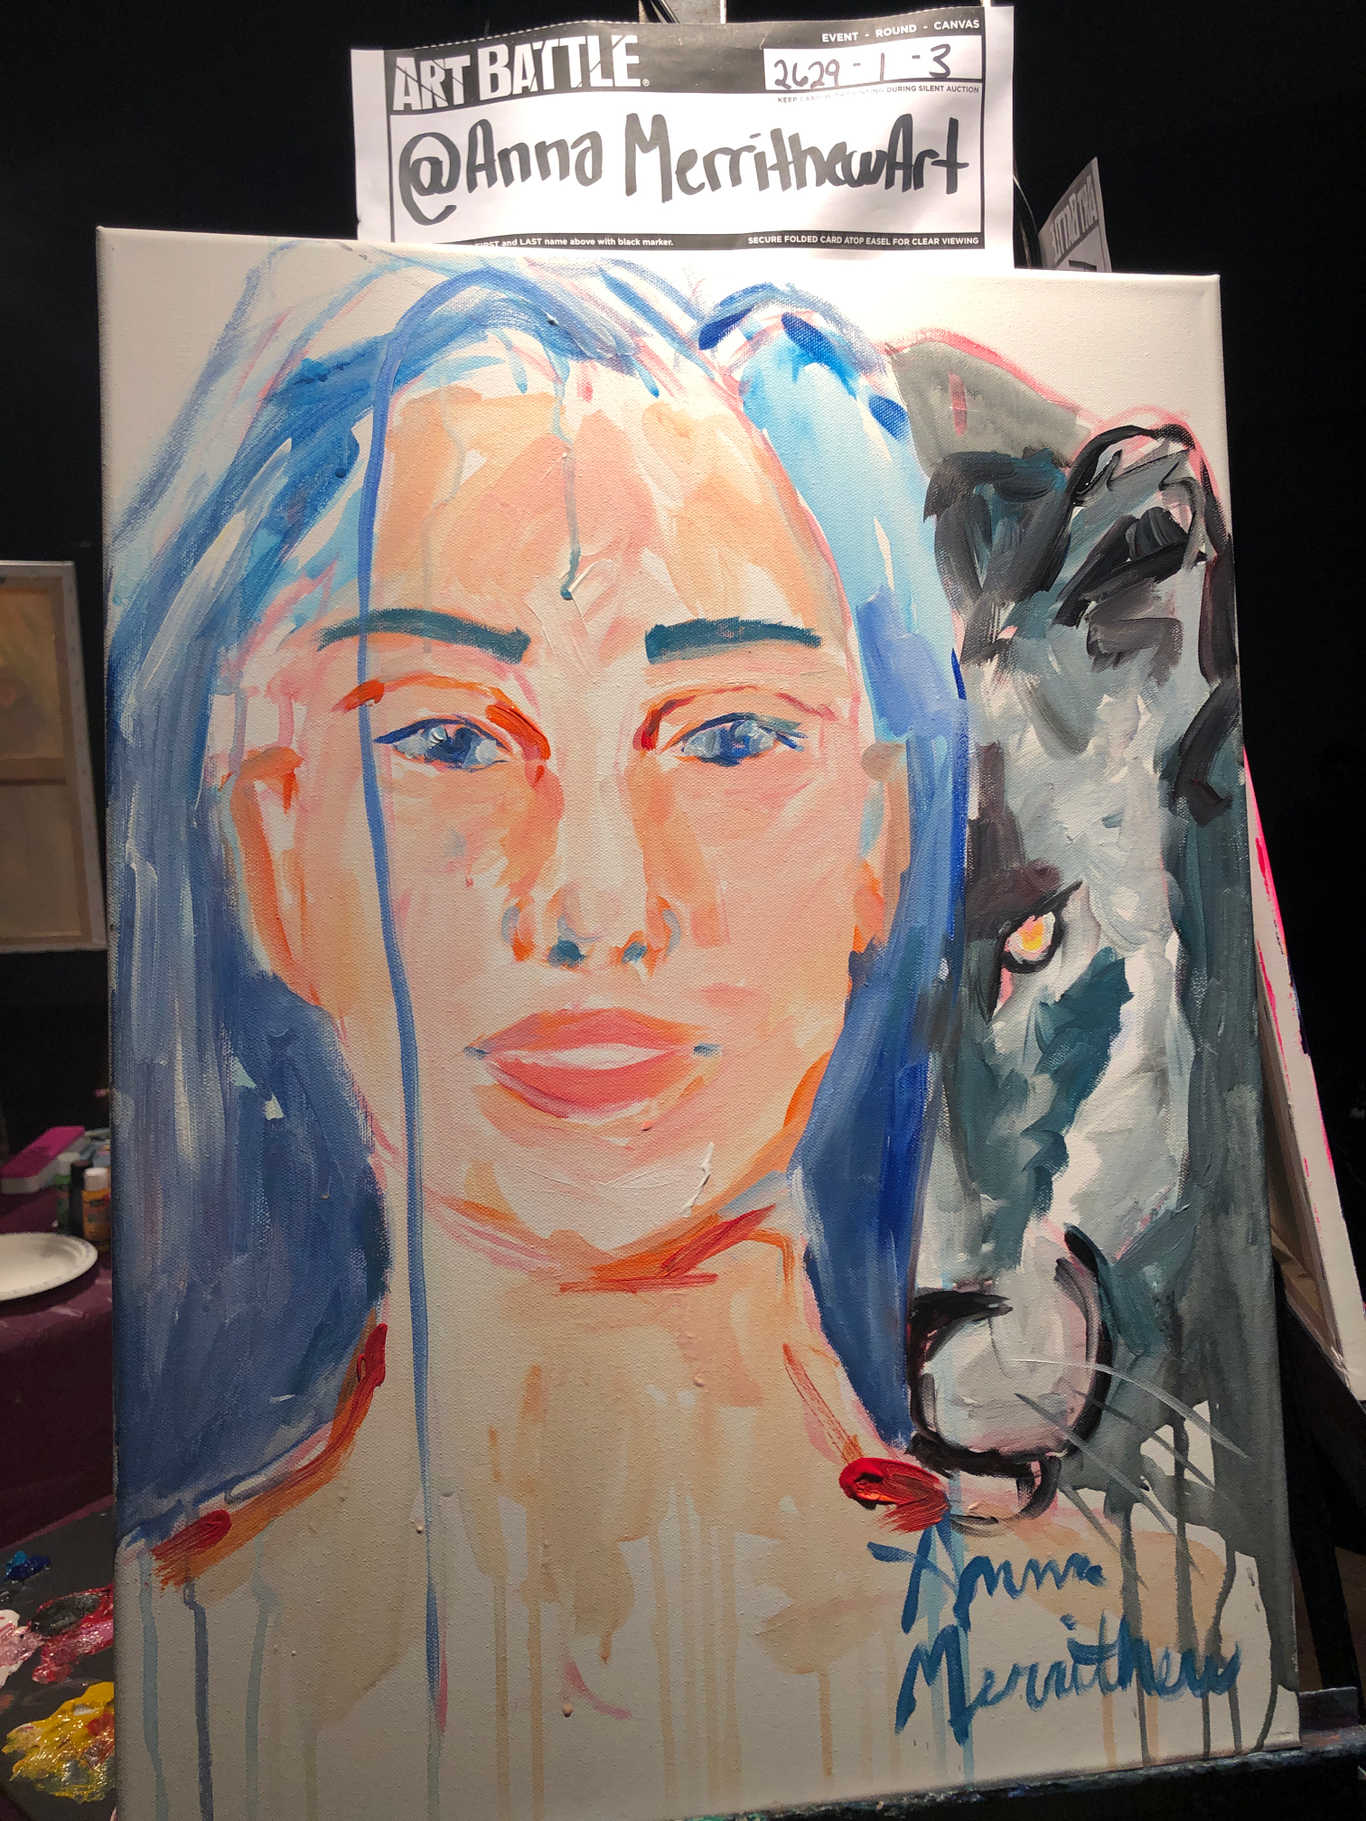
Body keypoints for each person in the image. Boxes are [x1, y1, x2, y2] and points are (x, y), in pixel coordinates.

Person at [108, 246, 968, 1819]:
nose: (594, 902)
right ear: (272, 855)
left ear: (877, 840)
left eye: (729, 736)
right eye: (445, 737)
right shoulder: (205, 1691)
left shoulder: (1128, 1630)